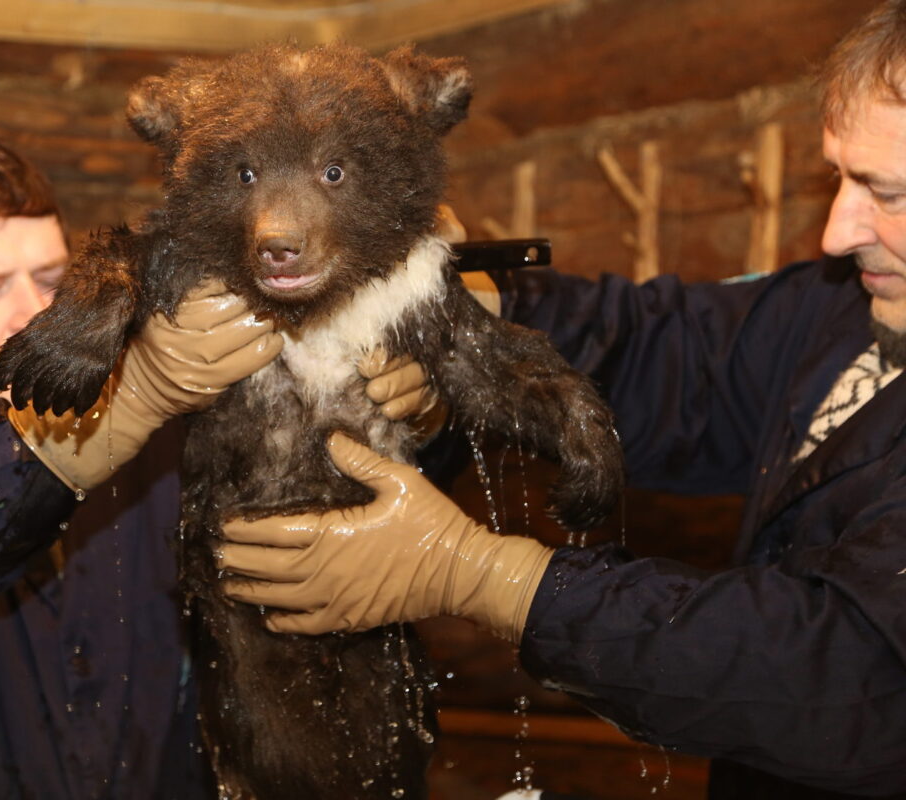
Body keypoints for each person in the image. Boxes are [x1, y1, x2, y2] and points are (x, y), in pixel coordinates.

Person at [215, 3, 906, 798]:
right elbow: (663, 351)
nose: (837, 230)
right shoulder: (838, 310)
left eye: (883, 192)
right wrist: (459, 303)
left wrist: (487, 578)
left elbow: (848, 673)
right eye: (839, 177)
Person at [0, 127, 435, 799]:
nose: (32, 314)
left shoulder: (144, 446)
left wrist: (400, 403)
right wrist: (123, 403)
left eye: (49, 278)